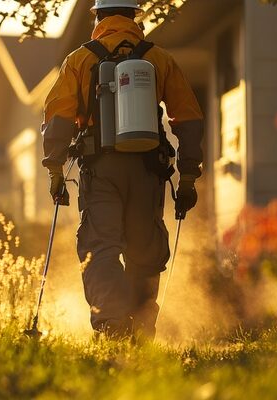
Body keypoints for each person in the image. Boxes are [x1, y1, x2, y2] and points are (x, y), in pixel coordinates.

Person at [41, 0, 204, 338]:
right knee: (145, 248)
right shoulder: (158, 58)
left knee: (101, 247)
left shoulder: (80, 60)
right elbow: (187, 117)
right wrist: (187, 175)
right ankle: (141, 328)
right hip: (148, 169)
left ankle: (111, 325)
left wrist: (55, 169)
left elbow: (57, 117)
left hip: (100, 169)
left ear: (98, 16)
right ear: (135, 15)